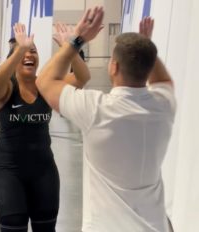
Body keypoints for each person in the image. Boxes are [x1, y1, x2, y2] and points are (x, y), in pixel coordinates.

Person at [37, 6, 175, 232]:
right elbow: (165, 83)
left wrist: (75, 41)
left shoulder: (95, 109)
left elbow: (44, 82)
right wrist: (145, 50)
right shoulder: (164, 105)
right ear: (148, 67)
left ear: (114, 67)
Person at [0, 22, 90, 232]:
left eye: (33, 52)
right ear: (13, 58)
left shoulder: (46, 86)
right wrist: (20, 49)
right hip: (9, 173)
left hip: (44, 172)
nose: (29, 55)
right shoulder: (7, 88)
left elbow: (83, 78)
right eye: (24, 52)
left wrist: (71, 47)